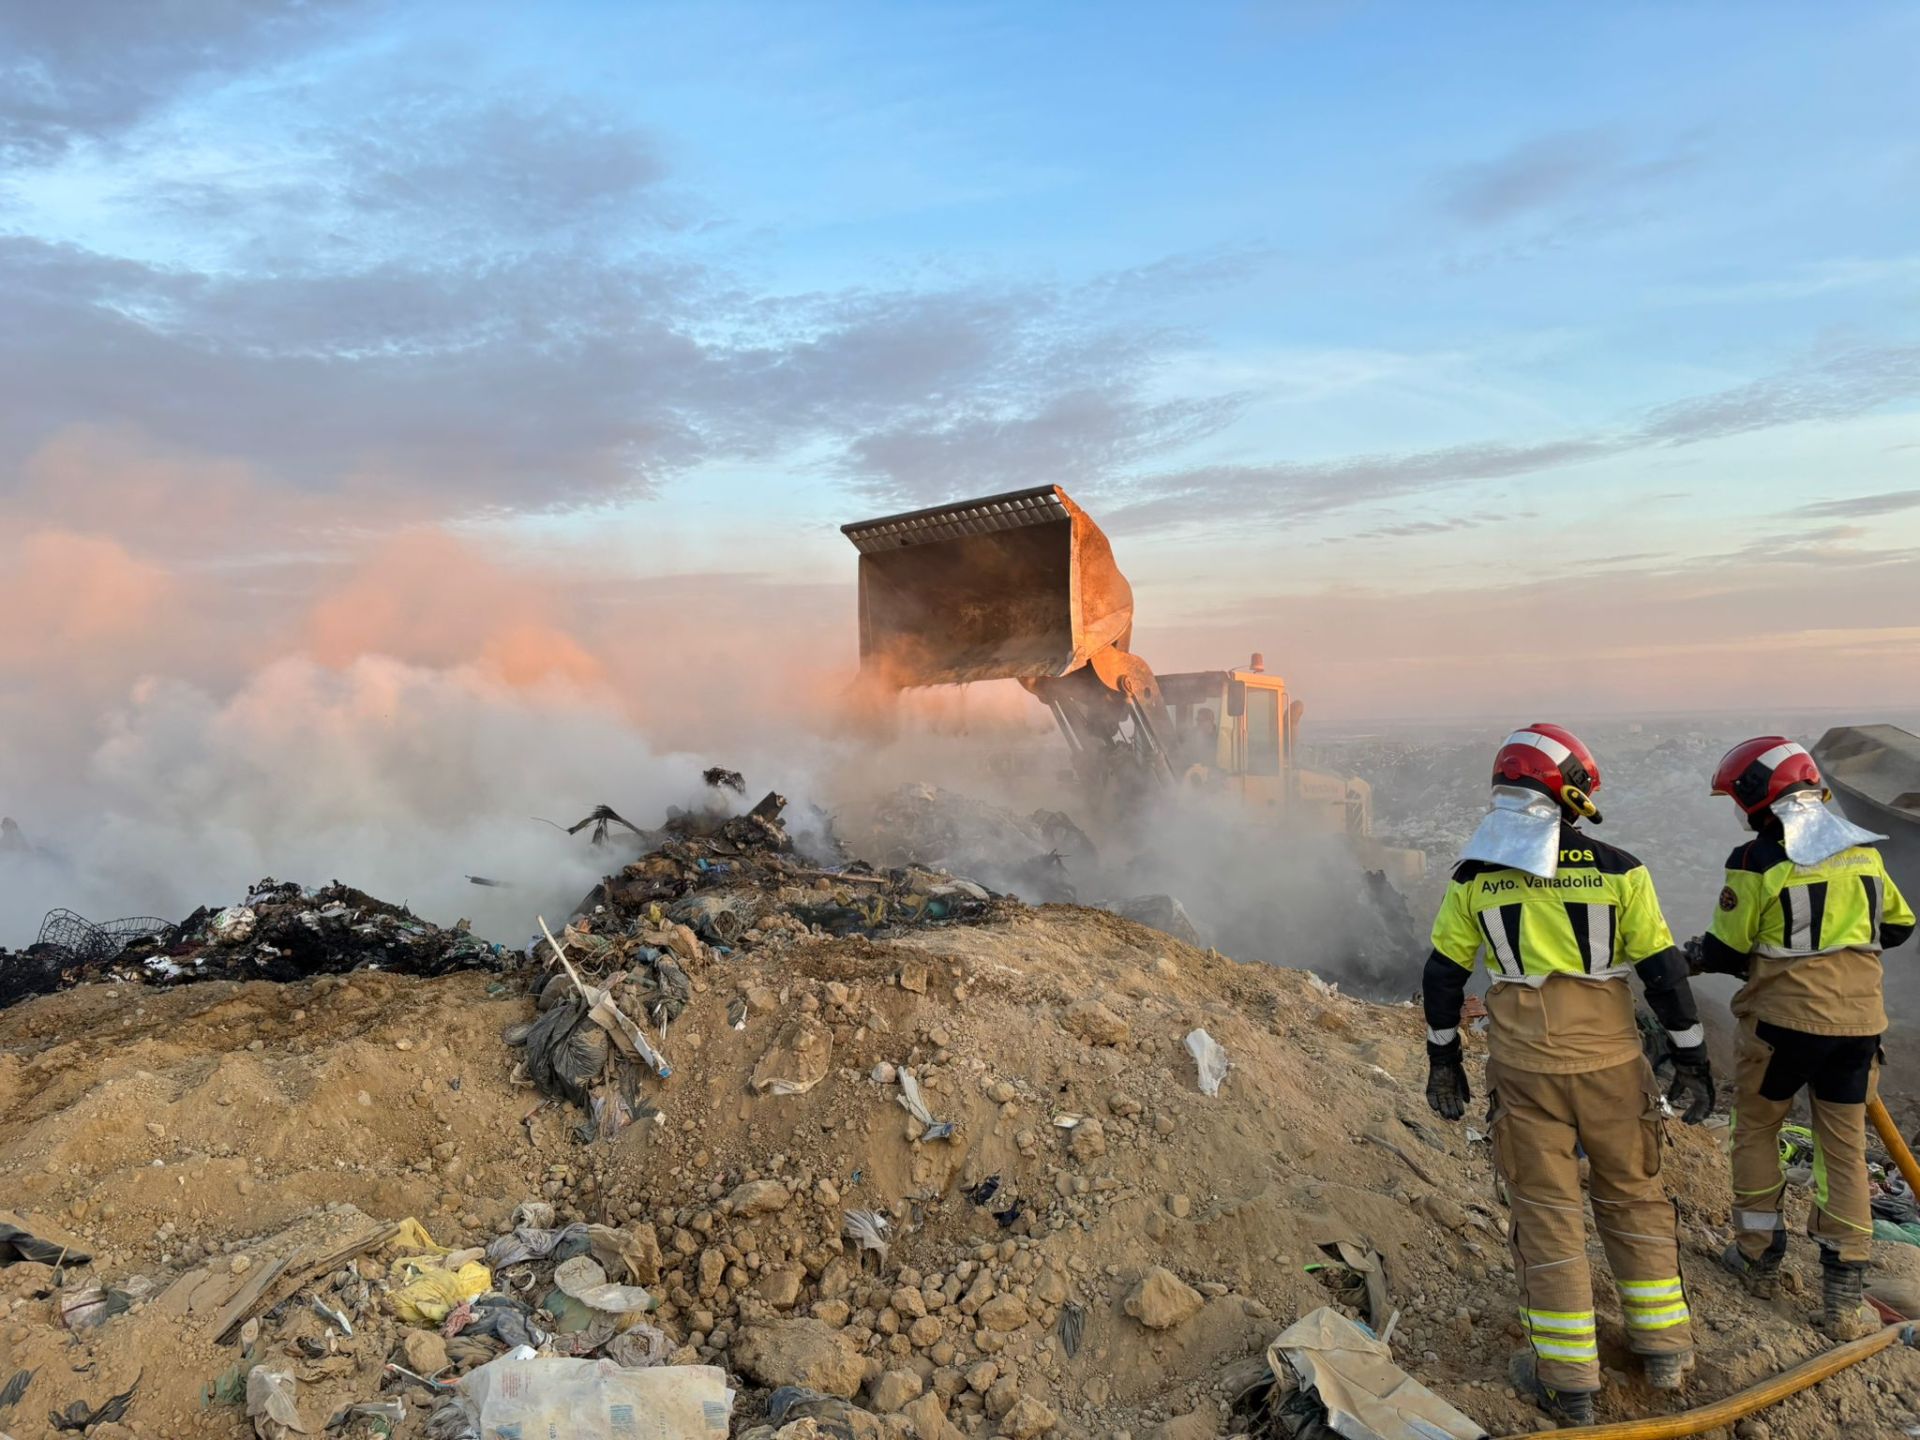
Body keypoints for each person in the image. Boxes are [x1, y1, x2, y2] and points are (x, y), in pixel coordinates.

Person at [1423, 725, 1713, 1426]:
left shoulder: (1473, 877)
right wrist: (1692, 1056)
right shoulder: (1620, 868)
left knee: (1545, 1212)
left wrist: (1443, 1060)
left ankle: (1569, 1381)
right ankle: (1664, 1350)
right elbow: (1663, 972)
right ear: (1569, 792)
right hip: (1612, 1062)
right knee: (1634, 1194)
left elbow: (1443, 975)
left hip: (1524, 1068)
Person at [1691, 737, 1915, 1338]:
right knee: (1843, 1148)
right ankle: (1843, 1293)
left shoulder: (1756, 860)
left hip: (1781, 1027)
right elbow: (1898, 926)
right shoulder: (1862, 854)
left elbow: (1726, 949)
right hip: (1858, 1029)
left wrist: (1691, 957)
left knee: (1756, 1130)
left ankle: (1757, 1254)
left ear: (1760, 801)